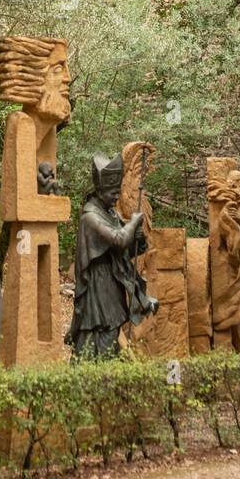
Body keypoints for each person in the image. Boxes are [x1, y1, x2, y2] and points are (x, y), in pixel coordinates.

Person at [67, 153, 158, 358]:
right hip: (98, 287)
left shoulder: (109, 213)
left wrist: (137, 235)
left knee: (111, 332)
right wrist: (133, 223)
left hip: (111, 281)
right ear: (100, 190)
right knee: (101, 333)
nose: (117, 197)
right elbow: (118, 240)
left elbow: (124, 246)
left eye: (118, 192)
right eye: (112, 193)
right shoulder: (90, 218)